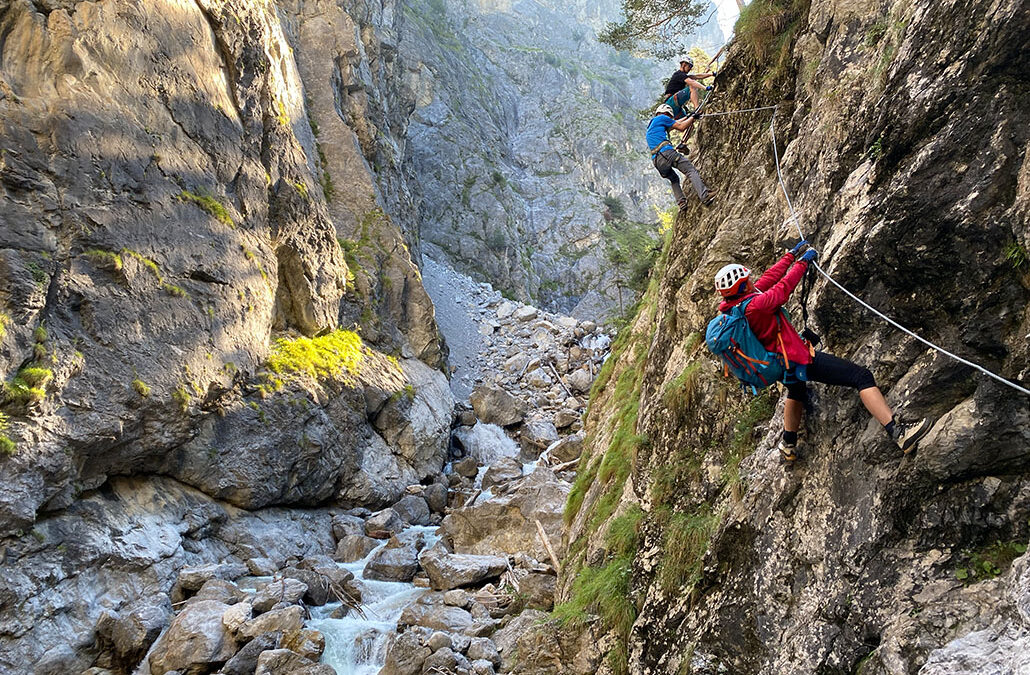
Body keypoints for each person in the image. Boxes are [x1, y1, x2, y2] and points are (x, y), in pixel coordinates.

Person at [713, 242, 933, 461]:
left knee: (796, 390)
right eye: (747, 280)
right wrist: (803, 263)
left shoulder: (738, 307)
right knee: (861, 377)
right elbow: (782, 289)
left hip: (779, 363)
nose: (752, 281)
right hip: (795, 359)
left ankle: (788, 444)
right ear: (743, 287)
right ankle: (899, 433)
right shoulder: (756, 306)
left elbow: (769, 278)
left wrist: (790, 256)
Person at [647, 104, 714, 210]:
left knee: (674, 179)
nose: (670, 119)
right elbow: (681, 127)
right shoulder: (662, 118)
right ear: (666, 114)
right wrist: (693, 117)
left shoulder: (653, 124)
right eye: (670, 117)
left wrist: (689, 116)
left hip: (657, 161)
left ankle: (681, 202)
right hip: (666, 153)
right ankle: (704, 195)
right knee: (690, 170)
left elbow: (677, 123)